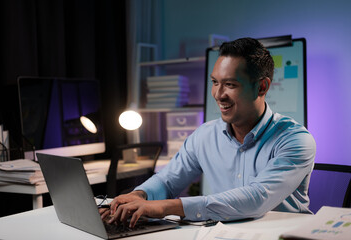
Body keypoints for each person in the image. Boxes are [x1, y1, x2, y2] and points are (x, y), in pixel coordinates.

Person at [100, 37, 316, 228]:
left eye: (230, 84)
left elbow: (256, 198)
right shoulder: (204, 136)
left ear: (261, 87)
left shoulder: (295, 140)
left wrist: (164, 207)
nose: (218, 94)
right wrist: (138, 196)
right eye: (215, 82)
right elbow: (167, 181)